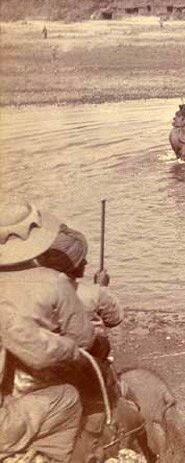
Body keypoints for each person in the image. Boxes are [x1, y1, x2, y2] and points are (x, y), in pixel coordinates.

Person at [0, 197, 96, 462]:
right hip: (20, 399)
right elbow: (81, 340)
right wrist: (71, 349)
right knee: (67, 398)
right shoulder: (53, 281)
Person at [36, 224, 123, 341]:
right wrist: (102, 288)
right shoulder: (93, 294)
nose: (85, 262)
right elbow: (114, 319)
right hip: (86, 354)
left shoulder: (34, 292)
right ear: (73, 265)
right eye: (81, 259)